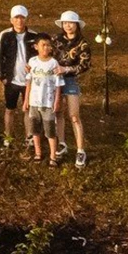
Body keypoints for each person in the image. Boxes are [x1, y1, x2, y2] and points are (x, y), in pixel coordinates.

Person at [50, 10, 93, 167]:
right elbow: (48, 55)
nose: (68, 26)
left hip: (70, 80)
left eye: (71, 23)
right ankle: (62, 144)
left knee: (74, 115)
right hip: (55, 80)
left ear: (77, 25)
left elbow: (84, 65)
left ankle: (81, 150)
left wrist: (66, 69)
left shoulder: (83, 44)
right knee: (58, 112)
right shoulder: (55, 39)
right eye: (65, 23)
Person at [0, 5, 40, 149]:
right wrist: (1, 75)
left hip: (29, 80)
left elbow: (40, 56)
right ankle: (8, 136)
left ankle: (29, 137)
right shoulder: (5, 35)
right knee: (10, 109)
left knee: (28, 109)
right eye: (16, 18)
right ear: (11, 20)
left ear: (26, 19)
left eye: (22, 18)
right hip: (11, 79)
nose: (19, 21)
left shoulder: (34, 36)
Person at [25, 34, 61, 163]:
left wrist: (57, 102)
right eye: (43, 45)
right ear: (36, 47)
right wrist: (26, 101)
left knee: (50, 130)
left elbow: (58, 84)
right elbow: (29, 81)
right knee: (35, 129)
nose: (46, 48)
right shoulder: (32, 62)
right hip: (34, 101)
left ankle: (53, 155)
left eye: (48, 45)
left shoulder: (54, 63)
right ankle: (38, 152)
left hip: (48, 102)